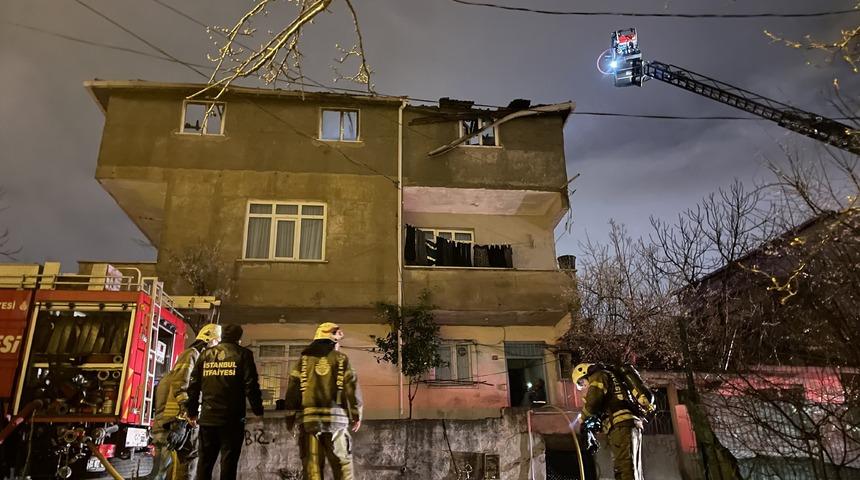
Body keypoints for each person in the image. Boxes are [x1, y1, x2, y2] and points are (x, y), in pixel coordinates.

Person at [284, 322, 362, 480]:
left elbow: (292, 391)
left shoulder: (303, 361)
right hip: (337, 424)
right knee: (343, 470)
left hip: (310, 424)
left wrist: (290, 419)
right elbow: (352, 389)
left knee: (312, 471)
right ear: (333, 342)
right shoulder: (341, 359)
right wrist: (356, 414)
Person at [186, 324, 264, 480]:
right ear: (239, 338)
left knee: (205, 463)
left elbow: (193, 386)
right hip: (232, 420)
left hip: (208, 419)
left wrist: (192, 412)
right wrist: (258, 410)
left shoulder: (205, 355)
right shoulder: (243, 354)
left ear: (221, 336)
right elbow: (251, 385)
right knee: (228, 463)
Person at [151, 323, 222, 480]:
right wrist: (184, 417)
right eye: (217, 342)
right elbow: (181, 385)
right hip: (170, 425)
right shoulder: (192, 355)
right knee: (160, 471)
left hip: (186, 424)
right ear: (209, 339)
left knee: (189, 462)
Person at [570, 363, 644, 480]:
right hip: (628, 423)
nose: (584, 386)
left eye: (581, 383)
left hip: (621, 425)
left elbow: (593, 402)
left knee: (624, 468)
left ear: (584, 373)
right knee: (632, 468)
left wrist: (582, 418)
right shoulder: (610, 375)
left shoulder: (598, 376)